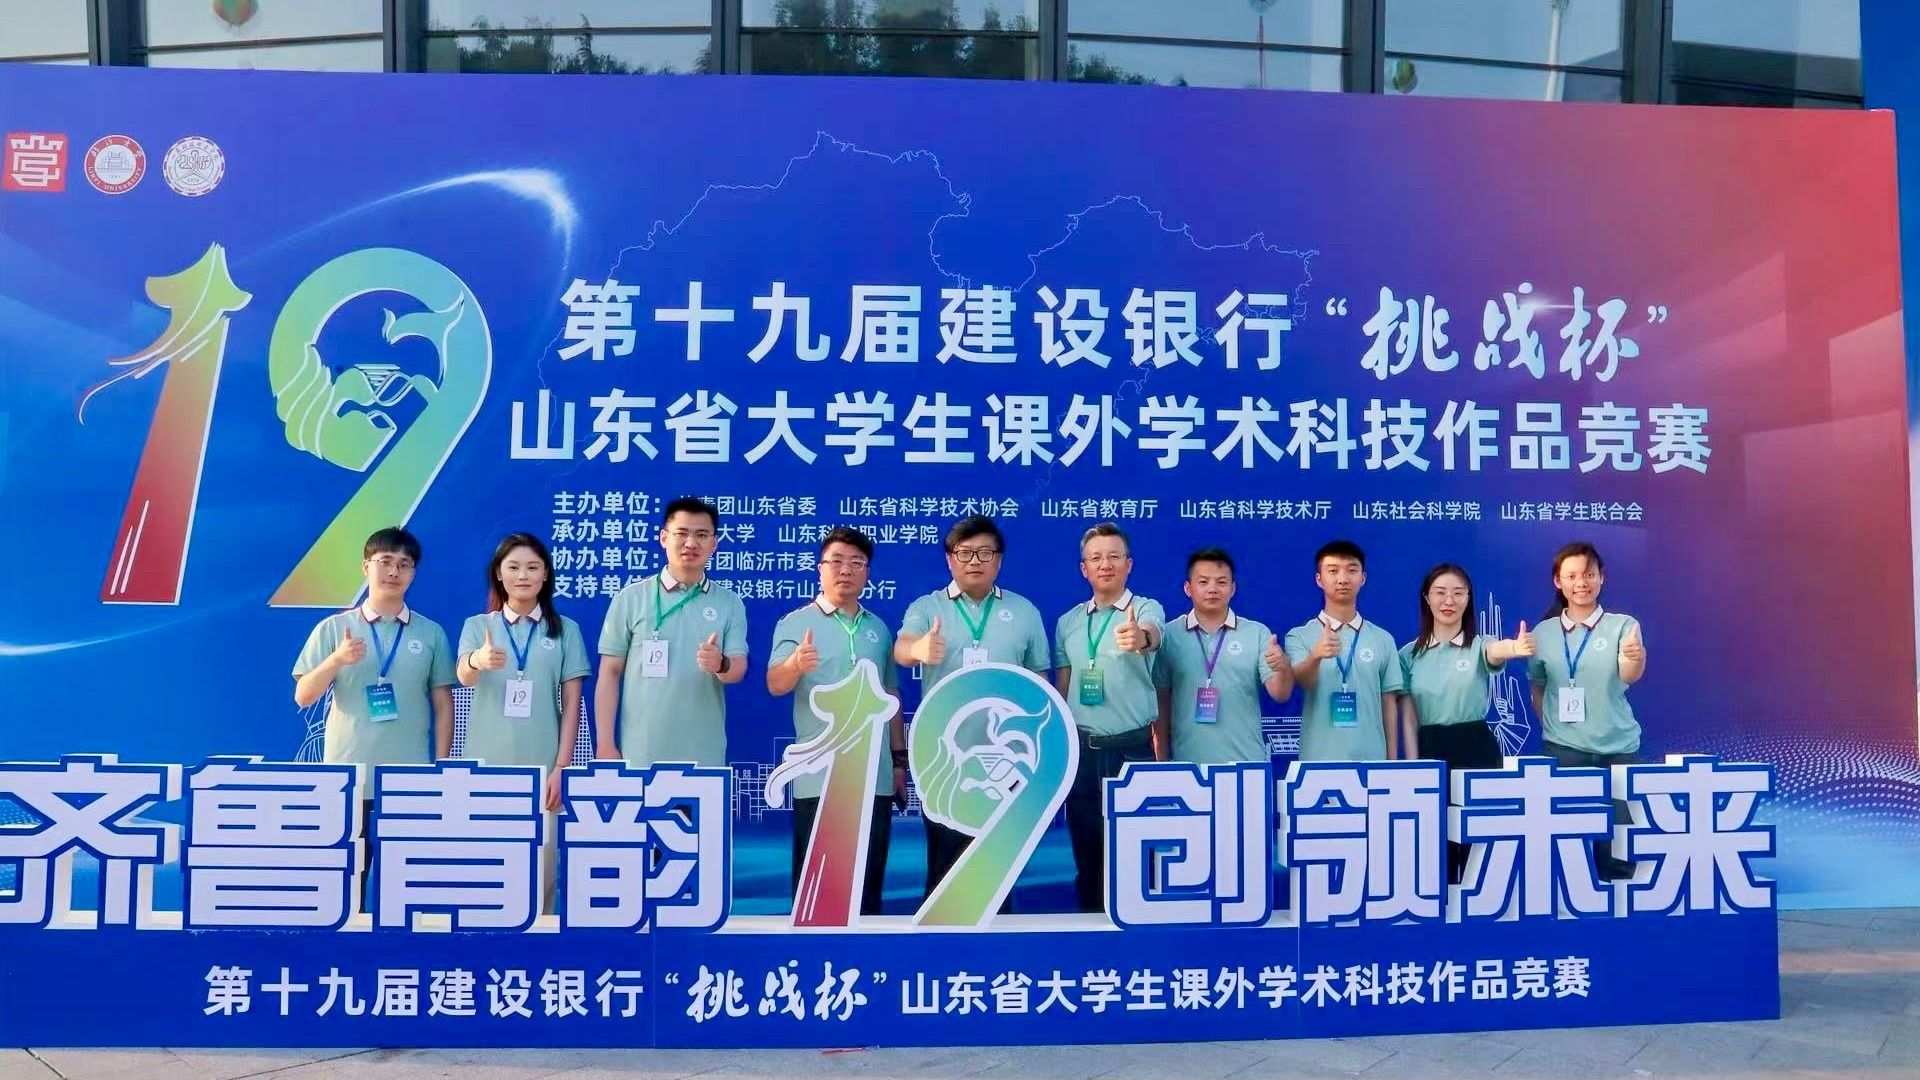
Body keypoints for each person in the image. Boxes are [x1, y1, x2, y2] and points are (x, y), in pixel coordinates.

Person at [292, 526, 454, 909]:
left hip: (408, 779)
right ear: (366, 567)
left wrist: (442, 767)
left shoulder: (430, 633)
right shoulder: (334, 628)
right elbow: (304, 695)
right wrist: (336, 660)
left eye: (404, 564)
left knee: (406, 885)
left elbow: (444, 704)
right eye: (385, 561)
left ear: (413, 573)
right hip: (349, 777)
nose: (393, 571)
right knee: (349, 882)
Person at [894, 515, 1050, 900]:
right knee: (946, 856)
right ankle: (942, 932)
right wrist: (919, 649)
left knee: (998, 858)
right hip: (944, 754)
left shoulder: (1024, 611)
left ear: (999, 560)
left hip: (1006, 756)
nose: (975, 561)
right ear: (950, 559)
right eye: (964, 553)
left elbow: (1040, 681)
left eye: (984, 553)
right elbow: (902, 649)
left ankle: (999, 935)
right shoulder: (927, 607)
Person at [768, 526, 906, 915]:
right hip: (820, 776)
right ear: (820, 568)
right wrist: (795, 664)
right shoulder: (795, 623)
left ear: (867, 573)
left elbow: (891, 696)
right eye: (837, 561)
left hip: (874, 777)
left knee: (867, 890)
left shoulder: (878, 628)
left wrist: (898, 762)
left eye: (856, 563)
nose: (846, 570)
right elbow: (775, 684)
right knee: (817, 897)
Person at [455, 533, 590, 913]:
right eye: (513, 567)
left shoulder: (565, 630)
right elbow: (463, 676)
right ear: (499, 574)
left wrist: (561, 768)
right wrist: (478, 661)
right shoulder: (478, 625)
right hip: (485, 768)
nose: (523, 575)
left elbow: (572, 705)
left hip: (542, 769)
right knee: (485, 867)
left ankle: (536, 941)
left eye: (532, 567)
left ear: (545, 574)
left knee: (541, 871)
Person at [1053, 522, 1164, 913]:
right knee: (1088, 855)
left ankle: (1139, 932)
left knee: (1136, 854)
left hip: (1132, 751)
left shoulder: (1145, 608)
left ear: (1128, 564)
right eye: (1096, 558)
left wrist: (1141, 637)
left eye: (1114, 557)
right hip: (1083, 753)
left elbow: (1152, 633)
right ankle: (1092, 932)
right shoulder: (1068, 622)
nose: (1105, 565)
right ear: (1084, 568)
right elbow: (1063, 688)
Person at [1398, 562, 1534, 881]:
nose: (1449, 601)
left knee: (1477, 838)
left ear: (1469, 599)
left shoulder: (1479, 644)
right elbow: (1407, 716)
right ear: (1426, 598)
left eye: (1458, 593)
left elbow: (1495, 651)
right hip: (1429, 748)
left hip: (1474, 746)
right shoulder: (1408, 655)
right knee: (1435, 839)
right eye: (1441, 593)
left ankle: (1479, 901)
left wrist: (1514, 647)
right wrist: (1413, 763)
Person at [595, 497, 749, 770]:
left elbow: (737, 670)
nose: (691, 543)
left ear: (714, 544)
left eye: (701, 535)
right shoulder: (631, 598)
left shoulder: (729, 603)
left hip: (704, 756)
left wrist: (720, 664)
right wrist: (605, 743)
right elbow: (609, 672)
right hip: (641, 754)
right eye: (682, 533)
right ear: (664, 538)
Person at [1528, 541, 1647, 881]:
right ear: (1558, 581)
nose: (1581, 583)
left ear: (1601, 578)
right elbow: (1538, 686)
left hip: (1618, 747)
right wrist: (1556, 729)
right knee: (1570, 840)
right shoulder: (1543, 632)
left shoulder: (1623, 625)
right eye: (1572, 576)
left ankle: (1619, 904)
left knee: (1619, 844)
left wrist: (1634, 658)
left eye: (1589, 575)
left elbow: (1630, 675)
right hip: (1565, 750)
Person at [1154, 547, 1292, 766]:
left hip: (1247, 764)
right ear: (1188, 588)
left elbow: (1280, 694)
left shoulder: (1257, 633)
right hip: (1188, 766)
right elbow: (1160, 703)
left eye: (1221, 582)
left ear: (1232, 588)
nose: (1212, 589)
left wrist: (1282, 668)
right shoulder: (1170, 635)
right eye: (1203, 582)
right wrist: (1161, 758)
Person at [1285, 539, 1405, 762]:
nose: (1342, 579)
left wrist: (1392, 762)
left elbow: (1389, 704)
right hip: (1318, 761)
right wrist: (1315, 656)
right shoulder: (1299, 636)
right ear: (1319, 579)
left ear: (1363, 578)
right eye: (1333, 571)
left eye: (1351, 570)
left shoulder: (1383, 638)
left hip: (1372, 760)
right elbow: (1303, 681)